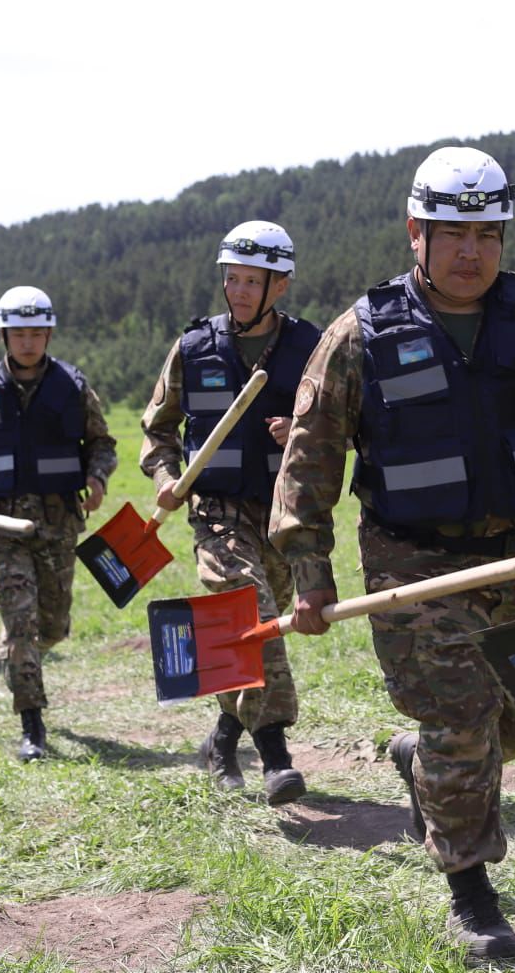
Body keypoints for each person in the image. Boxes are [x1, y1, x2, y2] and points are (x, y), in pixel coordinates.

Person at [270, 147, 515, 959]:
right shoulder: (360, 335)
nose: (472, 252)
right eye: (454, 234)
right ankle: (471, 892)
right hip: (414, 563)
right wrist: (309, 575)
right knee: (461, 721)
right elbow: (308, 462)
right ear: (416, 232)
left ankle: (420, 762)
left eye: (487, 235)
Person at [140, 220, 320, 806]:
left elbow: (348, 426)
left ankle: (222, 739)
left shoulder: (312, 348)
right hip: (215, 513)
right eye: (232, 279)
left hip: (282, 515)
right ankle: (276, 757)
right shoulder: (193, 349)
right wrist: (166, 479)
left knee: (248, 635)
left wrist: (300, 432)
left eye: (252, 281)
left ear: (280, 285)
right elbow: (157, 432)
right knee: (253, 617)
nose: (238, 291)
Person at [0, 285, 117, 762]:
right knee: (20, 621)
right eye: (19, 334)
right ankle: (31, 724)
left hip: (59, 525)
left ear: (49, 333)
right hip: (1, 524)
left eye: (37, 333)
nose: (28, 342)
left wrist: (97, 479)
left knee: (51, 625)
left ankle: (25, 653)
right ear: (4, 335)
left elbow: (102, 442)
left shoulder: (73, 385)